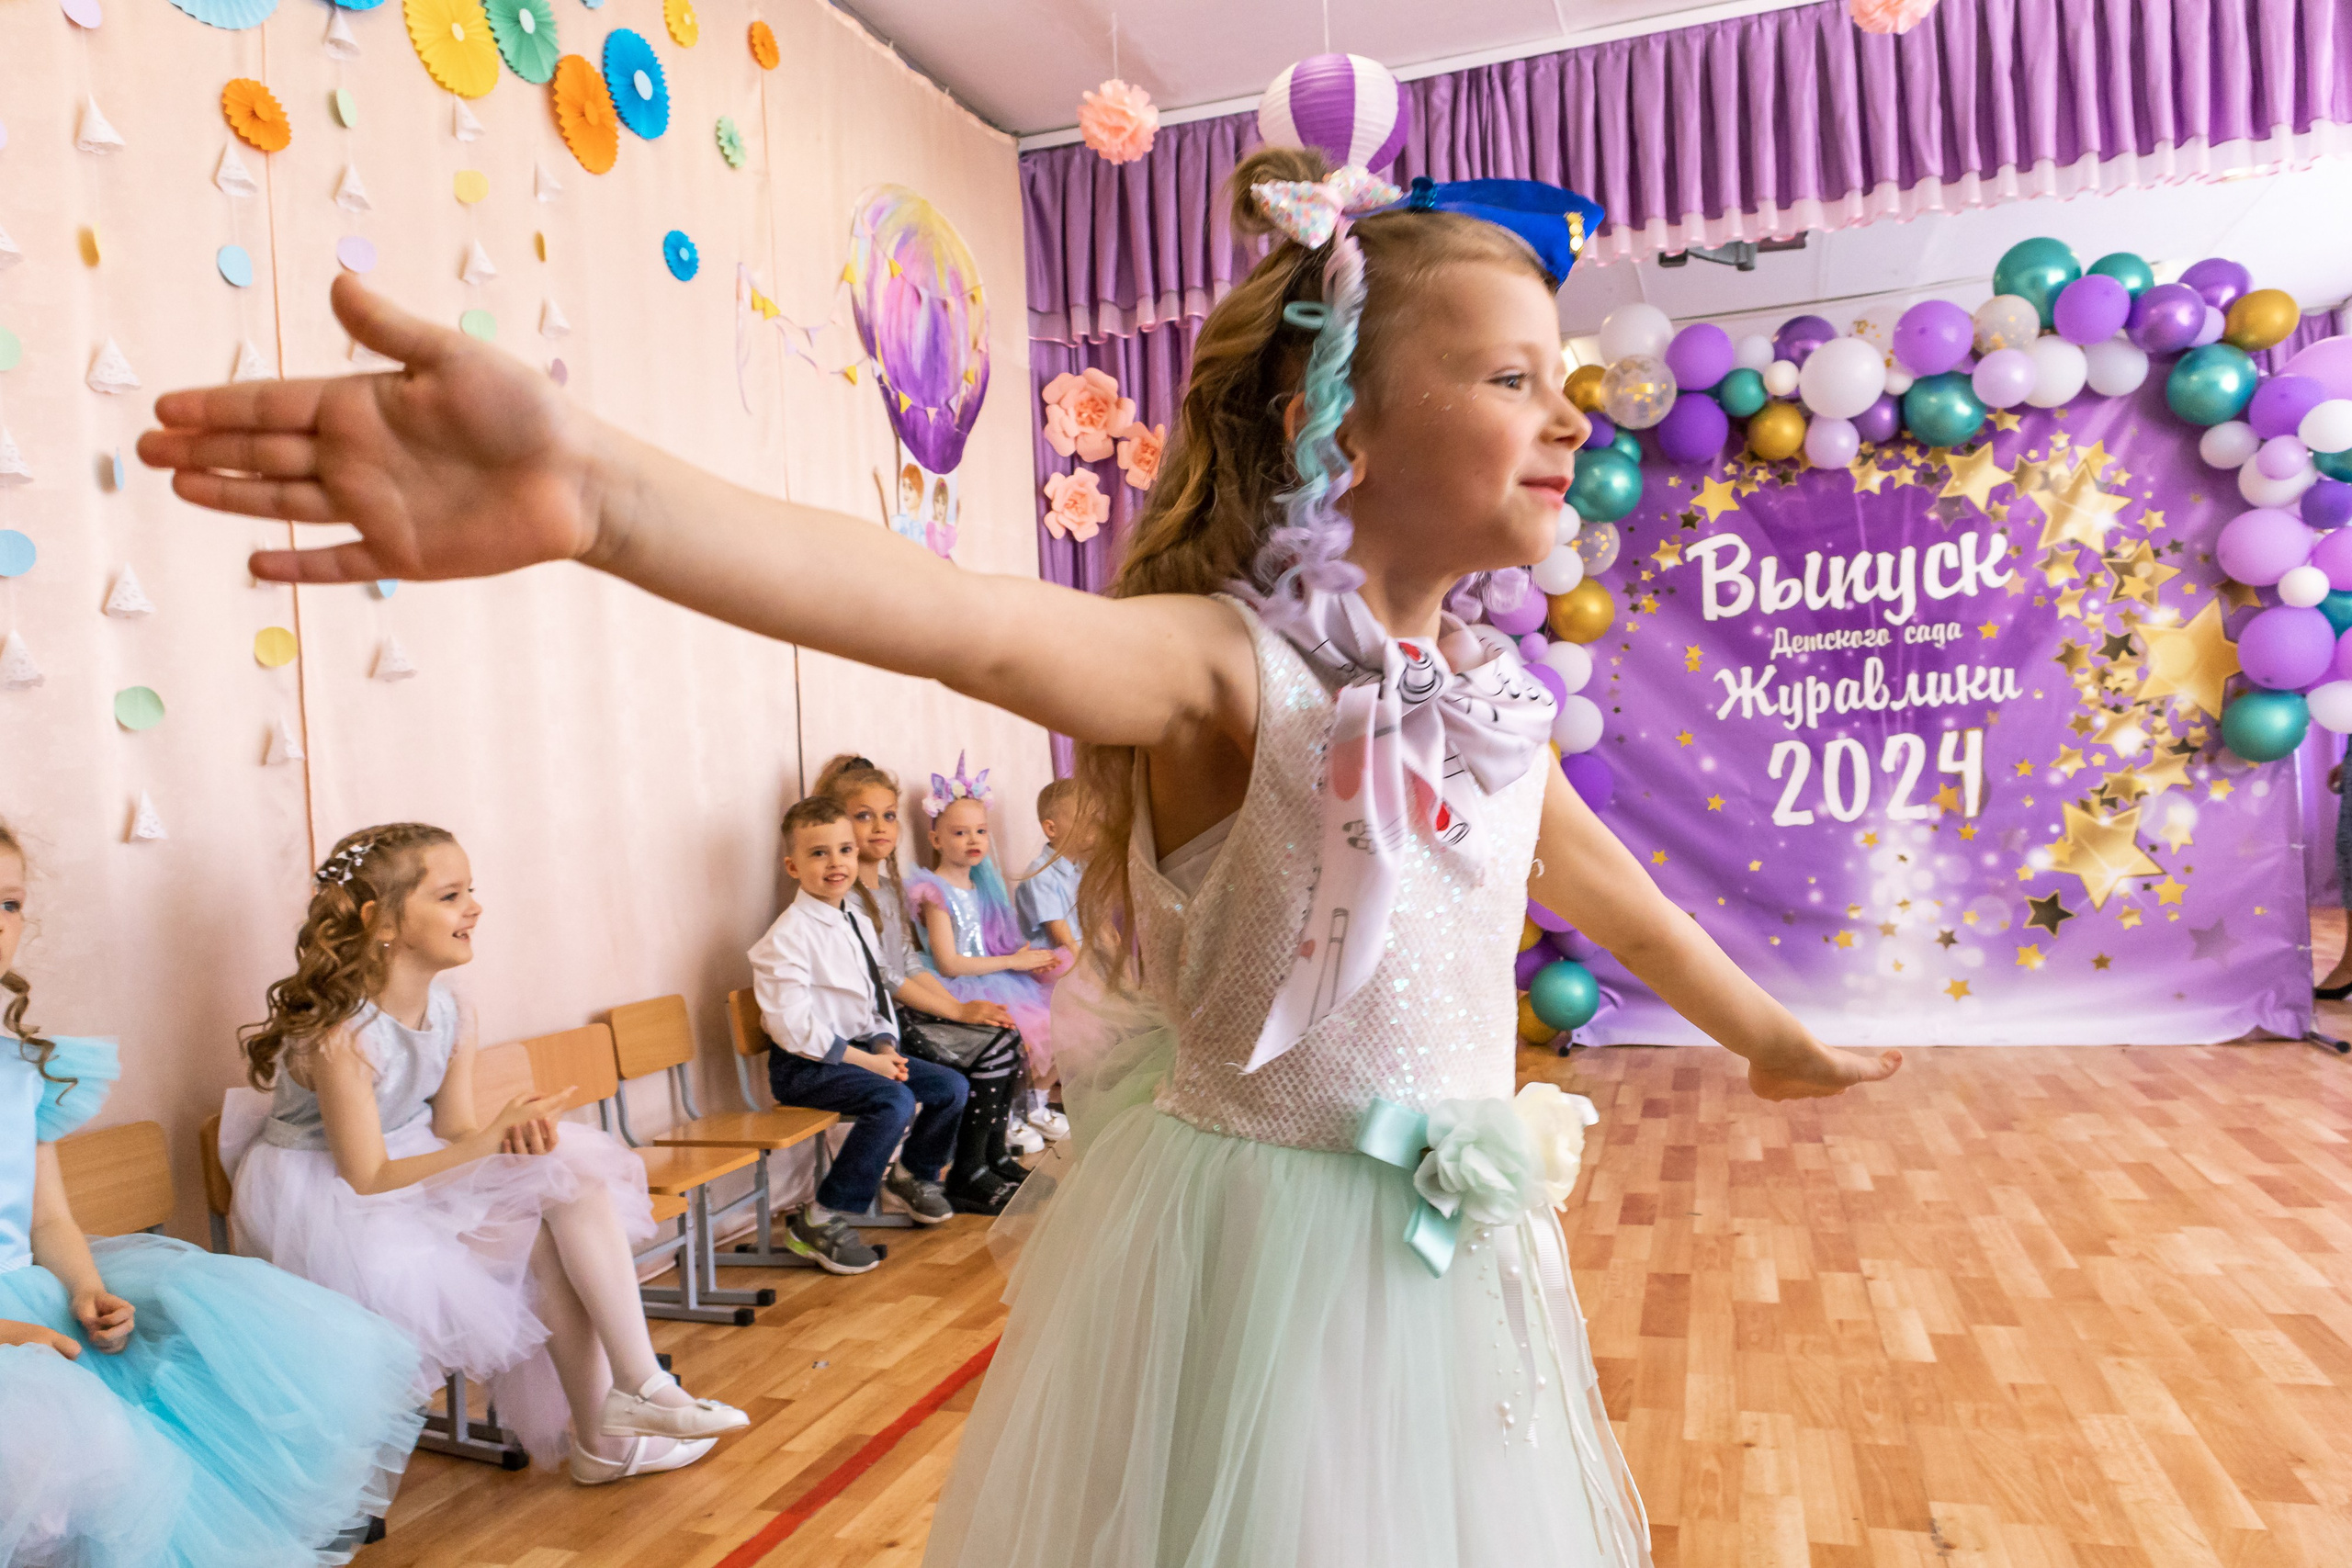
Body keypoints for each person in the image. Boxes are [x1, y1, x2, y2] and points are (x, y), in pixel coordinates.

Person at [139, 145, 1901, 1566]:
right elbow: (964, 623)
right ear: (1340, 426)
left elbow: (1609, 892)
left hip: (1449, 1259)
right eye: (1515, 377)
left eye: (1569, 377)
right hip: (1267, 1250)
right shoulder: (1231, 666)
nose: (1573, 413)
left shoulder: (1486, 701)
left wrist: (1760, 1032)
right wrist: (602, 499)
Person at [229, 824, 748, 1486]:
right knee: (534, 1236)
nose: (473, 907)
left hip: (406, 1160)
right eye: (450, 895)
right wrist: (486, 1141)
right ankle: (606, 1437)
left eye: (471, 891)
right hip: (324, 1189)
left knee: (569, 1180)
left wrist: (515, 1134)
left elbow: (452, 1126)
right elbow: (366, 1176)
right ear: (381, 920)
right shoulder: (344, 1034)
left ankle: (635, 1386)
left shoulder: (451, 1010)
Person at [0, 819, 424, 1567]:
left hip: (31, 1298)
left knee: (257, 1359)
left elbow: (50, 1217)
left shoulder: (26, 1065)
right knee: (76, 1448)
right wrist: (19, 1337)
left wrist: (87, 1288)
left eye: (7, 903)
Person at [750, 797, 973, 1268]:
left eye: (845, 850)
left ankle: (912, 1176)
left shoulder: (854, 918)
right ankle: (821, 1216)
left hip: (862, 1054)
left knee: (950, 1086)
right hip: (807, 1067)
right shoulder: (784, 939)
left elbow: (874, 1000)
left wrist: (885, 1045)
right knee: (891, 1100)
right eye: (819, 853)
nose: (836, 863)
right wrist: (869, 1063)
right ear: (793, 865)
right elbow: (793, 1030)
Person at [815, 754, 1030, 1211]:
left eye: (889, 816)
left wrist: (959, 1006)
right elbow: (885, 977)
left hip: (905, 1012)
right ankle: (966, 1172)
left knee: (1002, 1036)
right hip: (878, 1028)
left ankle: (986, 1157)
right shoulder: (846, 898)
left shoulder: (889, 890)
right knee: (991, 1047)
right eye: (863, 817)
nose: (880, 827)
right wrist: (955, 1012)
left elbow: (909, 962)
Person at [906, 756, 1068, 1145]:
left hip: (997, 975)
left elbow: (993, 940)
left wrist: (1023, 956)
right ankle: (1007, 1118)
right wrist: (1014, 961)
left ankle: (1032, 1105)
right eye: (960, 833)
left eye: (980, 830)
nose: (973, 840)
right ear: (936, 840)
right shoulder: (934, 892)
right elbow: (950, 962)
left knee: (1065, 1019)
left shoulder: (981, 886)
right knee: (1019, 1034)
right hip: (959, 984)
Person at [1013, 778, 1083, 958]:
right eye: (1083, 819)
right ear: (1052, 829)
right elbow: (1062, 940)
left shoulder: (1082, 867)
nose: (1092, 827)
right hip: (1056, 961)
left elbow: (1102, 928)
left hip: (1085, 955)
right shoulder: (1040, 875)